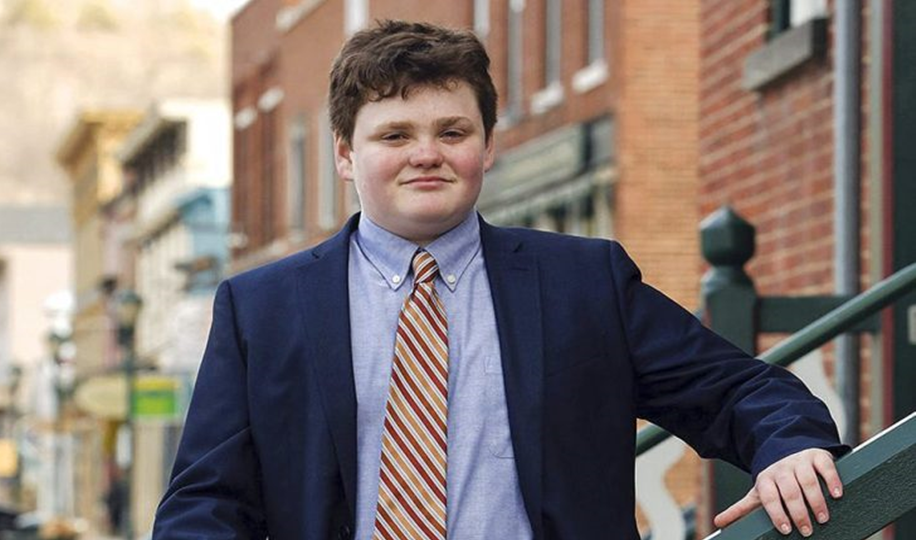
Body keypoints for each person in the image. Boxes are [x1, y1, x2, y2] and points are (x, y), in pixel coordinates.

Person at [153, 20, 848, 540]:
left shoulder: (584, 284)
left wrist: (789, 447)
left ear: (488, 146)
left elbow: (737, 391)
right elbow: (206, 502)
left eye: (452, 132)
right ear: (344, 155)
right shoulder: (261, 308)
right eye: (395, 135)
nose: (426, 154)